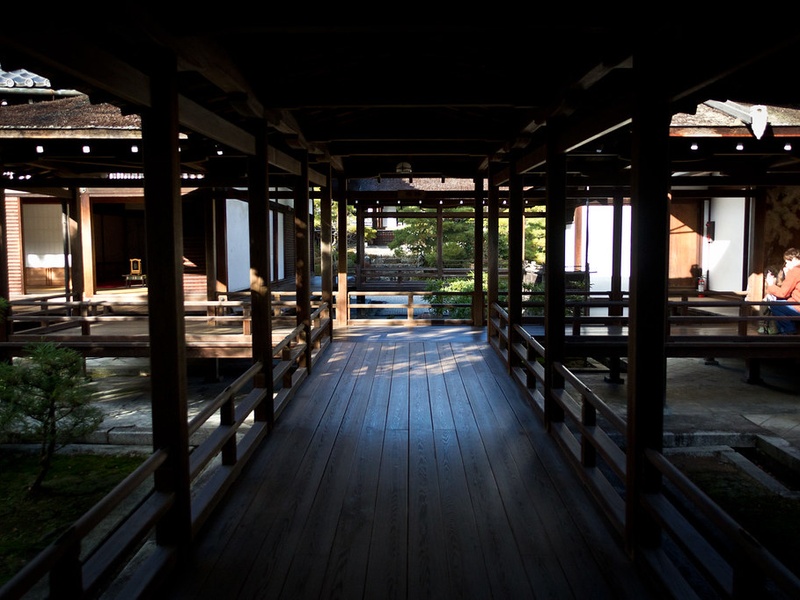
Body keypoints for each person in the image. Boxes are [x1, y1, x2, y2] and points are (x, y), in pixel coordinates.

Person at [764, 247, 800, 334]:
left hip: (798, 307)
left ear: (794, 259)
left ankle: (789, 331)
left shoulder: (795, 271)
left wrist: (771, 284)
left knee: (774, 305)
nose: (786, 265)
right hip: (796, 303)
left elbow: (783, 293)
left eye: (787, 262)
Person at [758, 264, 785, 334]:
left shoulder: (783, 284)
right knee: (764, 303)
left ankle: (772, 328)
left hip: (782, 302)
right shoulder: (770, 285)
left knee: (773, 307)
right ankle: (763, 326)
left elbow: (782, 294)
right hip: (773, 300)